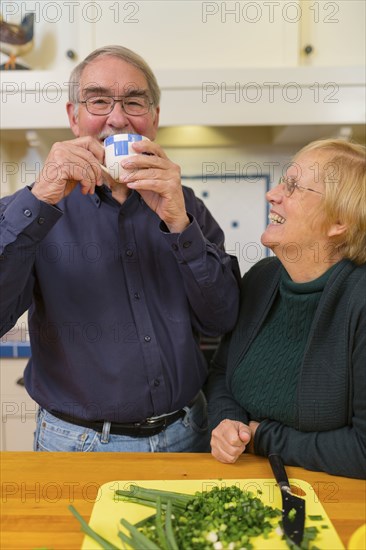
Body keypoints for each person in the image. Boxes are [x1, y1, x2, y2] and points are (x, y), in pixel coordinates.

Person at [0, 45, 240, 452]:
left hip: (190, 434)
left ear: (155, 119)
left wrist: (179, 225)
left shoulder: (188, 207)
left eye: (134, 101)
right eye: (98, 100)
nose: (117, 117)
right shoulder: (31, 209)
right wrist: (40, 199)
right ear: (73, 117)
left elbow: (222, 318)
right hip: (76, 445)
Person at [207, 138, 366, 479]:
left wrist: (262, 437)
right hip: (248, 484)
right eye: (283, 181)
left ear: (338, 222)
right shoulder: (261, 279)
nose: (273, 194)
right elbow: (221, 374)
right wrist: (227, 421)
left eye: (293, 187)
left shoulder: (360, 302)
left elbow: (362, 450)